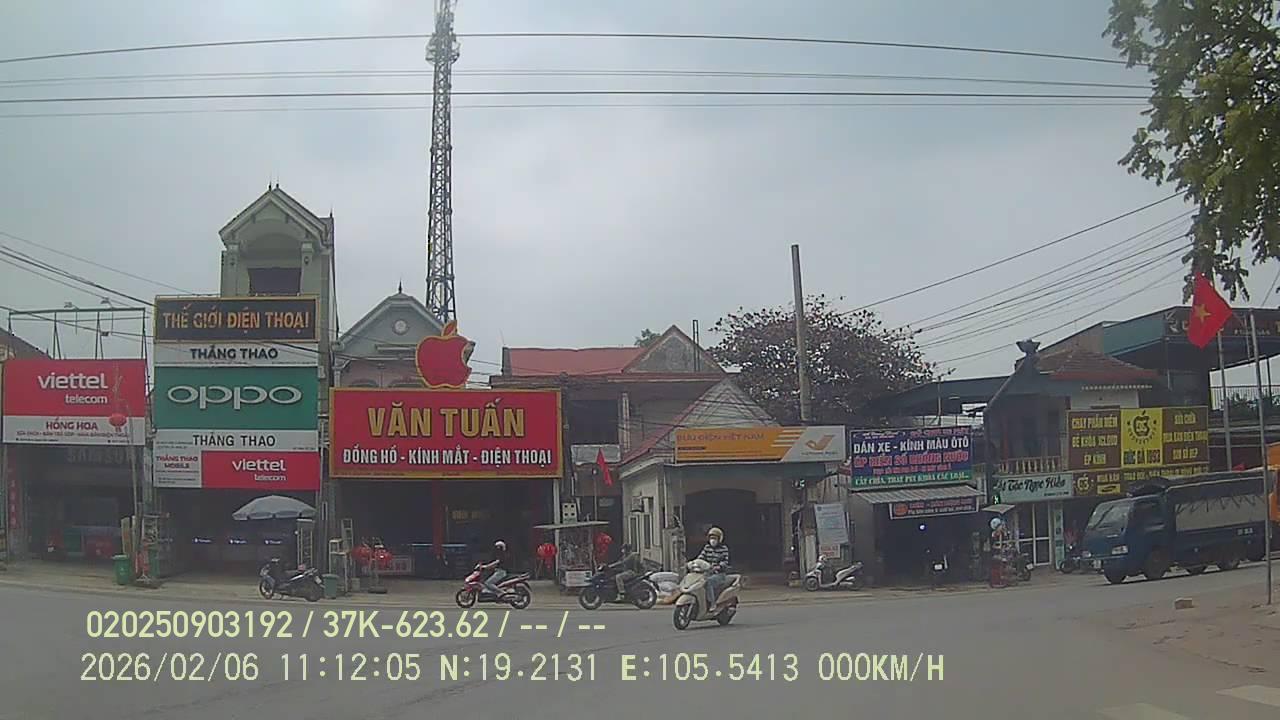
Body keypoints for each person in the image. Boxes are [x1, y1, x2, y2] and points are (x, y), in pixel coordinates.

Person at [696, 526, 731, 607]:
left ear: (719, 539)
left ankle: (712, 603)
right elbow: (701, 557)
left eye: (715, 538)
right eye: (711, 538)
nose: (712, 540)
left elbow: (725, 561)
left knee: (708, 582)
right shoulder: (707, 547)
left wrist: (718, 566)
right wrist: (696, 563)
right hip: (707, 572)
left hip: (719, 574)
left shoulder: (723, 549)